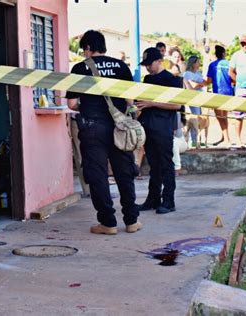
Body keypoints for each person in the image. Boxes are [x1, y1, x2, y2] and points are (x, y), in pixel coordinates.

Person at [66, 30, 141, 234]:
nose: (84, 53)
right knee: (124, 172)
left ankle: (108, 223)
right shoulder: (120, 66)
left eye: (84, 50)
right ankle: (132, 221)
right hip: (119, 127)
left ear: (88, 48)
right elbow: (130, 101)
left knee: (97, 174)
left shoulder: (80, 68)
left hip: (92, 127)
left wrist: (89, 107)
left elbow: (72, 104)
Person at [136, 47, 182, 214]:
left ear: (159, 61)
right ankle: (153, 199)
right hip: (148, 125)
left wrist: (152, 103)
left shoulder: (172, 79)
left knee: (166, 164)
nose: (148, 68)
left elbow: (177, 105)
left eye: (150, 64)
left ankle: (168, 200)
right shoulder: (147, 78)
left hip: (163, 127)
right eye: (146, 65)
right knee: (153, 164)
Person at [206, 45, 234, 146]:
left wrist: (199, 84)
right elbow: (233, 78)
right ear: (223, 53)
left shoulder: (212, 65)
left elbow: (208, 81)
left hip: (217, 93)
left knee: (220, 117)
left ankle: (227, 139)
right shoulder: (229, 64)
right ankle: (224, 137)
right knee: (224, 116)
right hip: (228, 92)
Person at [183, 55, 206, 146]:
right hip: (191, 99)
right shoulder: (187, 74)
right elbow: (191, 86)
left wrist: (198, 84)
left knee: (198, 120)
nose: (199, 63)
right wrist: (197, 84)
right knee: (191, 120)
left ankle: (195, 140)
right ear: (193, 63)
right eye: (197, 62)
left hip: (199, 99)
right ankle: (188, 140)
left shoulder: (199, 73)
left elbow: (203, 83)